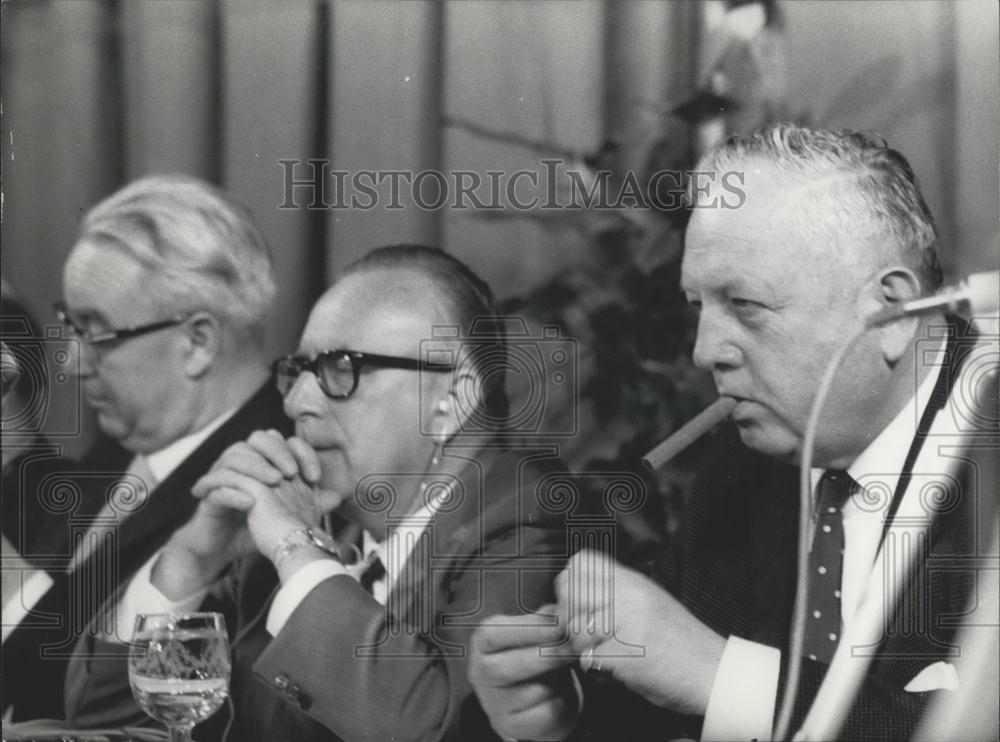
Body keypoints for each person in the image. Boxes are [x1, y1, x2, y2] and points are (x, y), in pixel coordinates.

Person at [468, 124, 992, 741]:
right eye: (698, 307)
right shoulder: (749, 457)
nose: (703, 351)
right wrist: (562, 711)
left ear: (893, 314)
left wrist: (719, 675)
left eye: (745, 305)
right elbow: (665, 693)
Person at [64, 245, 571, 742]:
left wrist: (298, 550)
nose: (298, 403)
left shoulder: (527, 521)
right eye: (297, 372)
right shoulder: (310, 520)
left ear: (451, 399)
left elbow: (431, 728)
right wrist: (193, 556)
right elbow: (103, 715)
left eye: (340, 368)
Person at [2, 175, 290, 721]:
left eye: (97, 333)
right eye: (71, 325)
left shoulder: (270, 480)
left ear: (198, 342)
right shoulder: (121, 448)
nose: (72, 362)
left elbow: (97, 705)